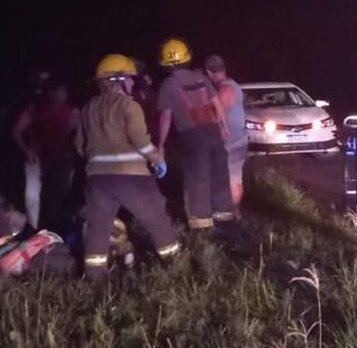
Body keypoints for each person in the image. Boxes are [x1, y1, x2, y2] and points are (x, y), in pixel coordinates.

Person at [77, 53, 182, 277]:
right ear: (118, 80)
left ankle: (95, 278)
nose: (133, 82)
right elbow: (142, 144)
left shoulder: (88, 108)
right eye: (130, 78)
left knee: (98, 230)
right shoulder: (129, 106)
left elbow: (80, 146)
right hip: (131, 177)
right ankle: (175, 266)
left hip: (97, 179)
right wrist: (158, 159)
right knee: (156, 218)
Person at [155, 38, 235, 230]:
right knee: (219, 173)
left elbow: (166, 117)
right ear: (187, 56)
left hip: (191, 136)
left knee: (196, 178)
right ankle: (224, 218)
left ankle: (201, 223)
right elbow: (216, 103)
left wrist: (160, 144)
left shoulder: (168, 85)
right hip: (213, 131)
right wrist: (224, 127)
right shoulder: (201, 77)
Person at [12, 79, 79, 231]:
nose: (59, 95)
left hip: (62, 159)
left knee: (58, 196)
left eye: (62, 91)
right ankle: (34, 230)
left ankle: (57, 230)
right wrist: (27, 151)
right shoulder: (34, 109)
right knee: (32, 196)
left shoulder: (72, 111)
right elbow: (16, 131)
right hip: (36, 158)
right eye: (55, 91)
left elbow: (78, 134)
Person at [203, 54, 249, 205]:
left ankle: (230, 211)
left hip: (232, 142)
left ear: (209, 73)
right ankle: (232, 211)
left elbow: (217, 117)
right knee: (235, 178)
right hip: (238, 139)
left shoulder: (225, 89)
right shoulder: (232, 84)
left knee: (232, 179)